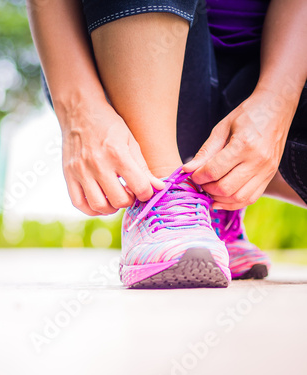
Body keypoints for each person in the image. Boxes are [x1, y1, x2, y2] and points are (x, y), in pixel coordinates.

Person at [26, 0, 307, 289]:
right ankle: (164, 193)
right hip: (130, 61)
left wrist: (277, 102)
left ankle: (212, 208)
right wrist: (78, 110)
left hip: (279, 69)